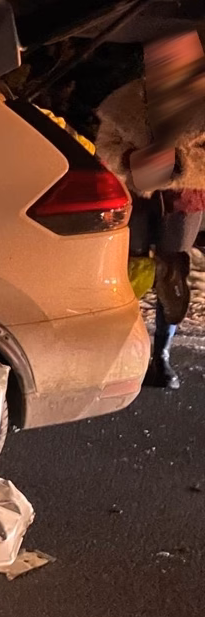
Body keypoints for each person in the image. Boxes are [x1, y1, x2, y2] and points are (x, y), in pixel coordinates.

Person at [94, 31, 205, 389]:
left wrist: (181, 165)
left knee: (172, 275)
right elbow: (106, 147)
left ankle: (161, 355)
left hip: (184, 199)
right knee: (132, 270)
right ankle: (127, 351)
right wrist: (131, 162)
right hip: (137, 196)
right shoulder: (126, 101)